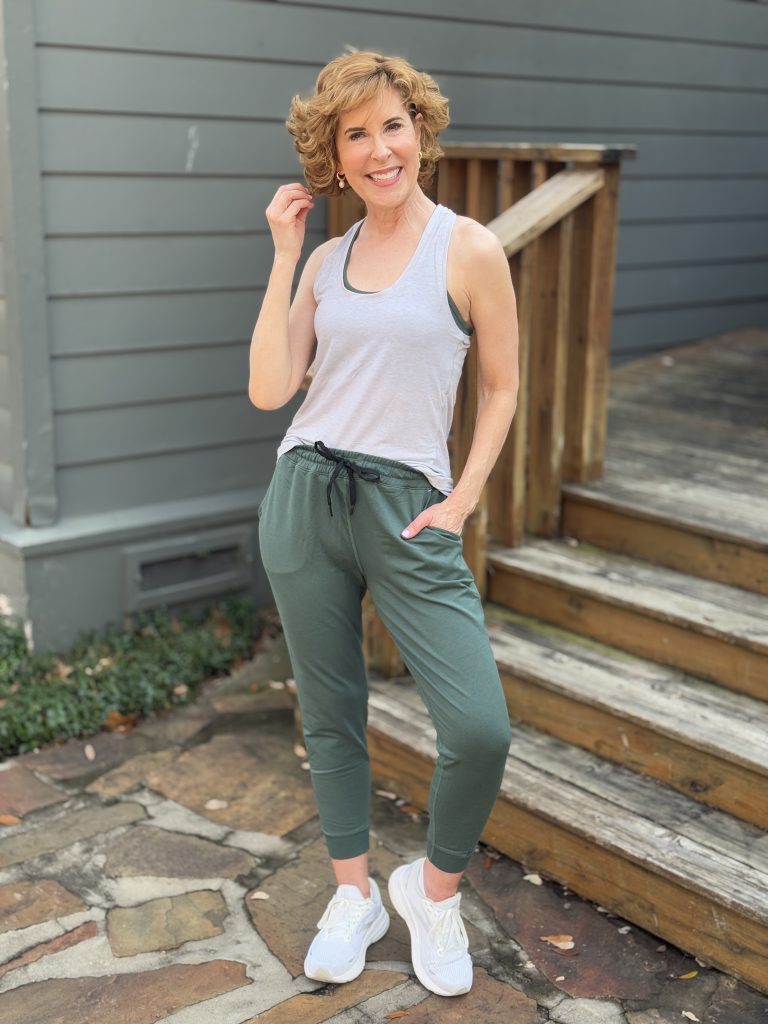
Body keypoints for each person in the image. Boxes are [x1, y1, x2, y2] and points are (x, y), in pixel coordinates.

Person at [249, 50, 519, 998]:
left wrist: (467, 494)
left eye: (391, 126)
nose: (378, 149)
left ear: (421, 131)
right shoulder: (325, 259)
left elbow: (501, 384)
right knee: (331, 717)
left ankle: (430, 890)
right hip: (304, 497)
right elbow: (271, 390)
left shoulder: (468, 248)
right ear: (334, 154)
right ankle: (356, 893)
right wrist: (285, 259)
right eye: (354, 134)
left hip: (409, 508)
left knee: (480, 728)